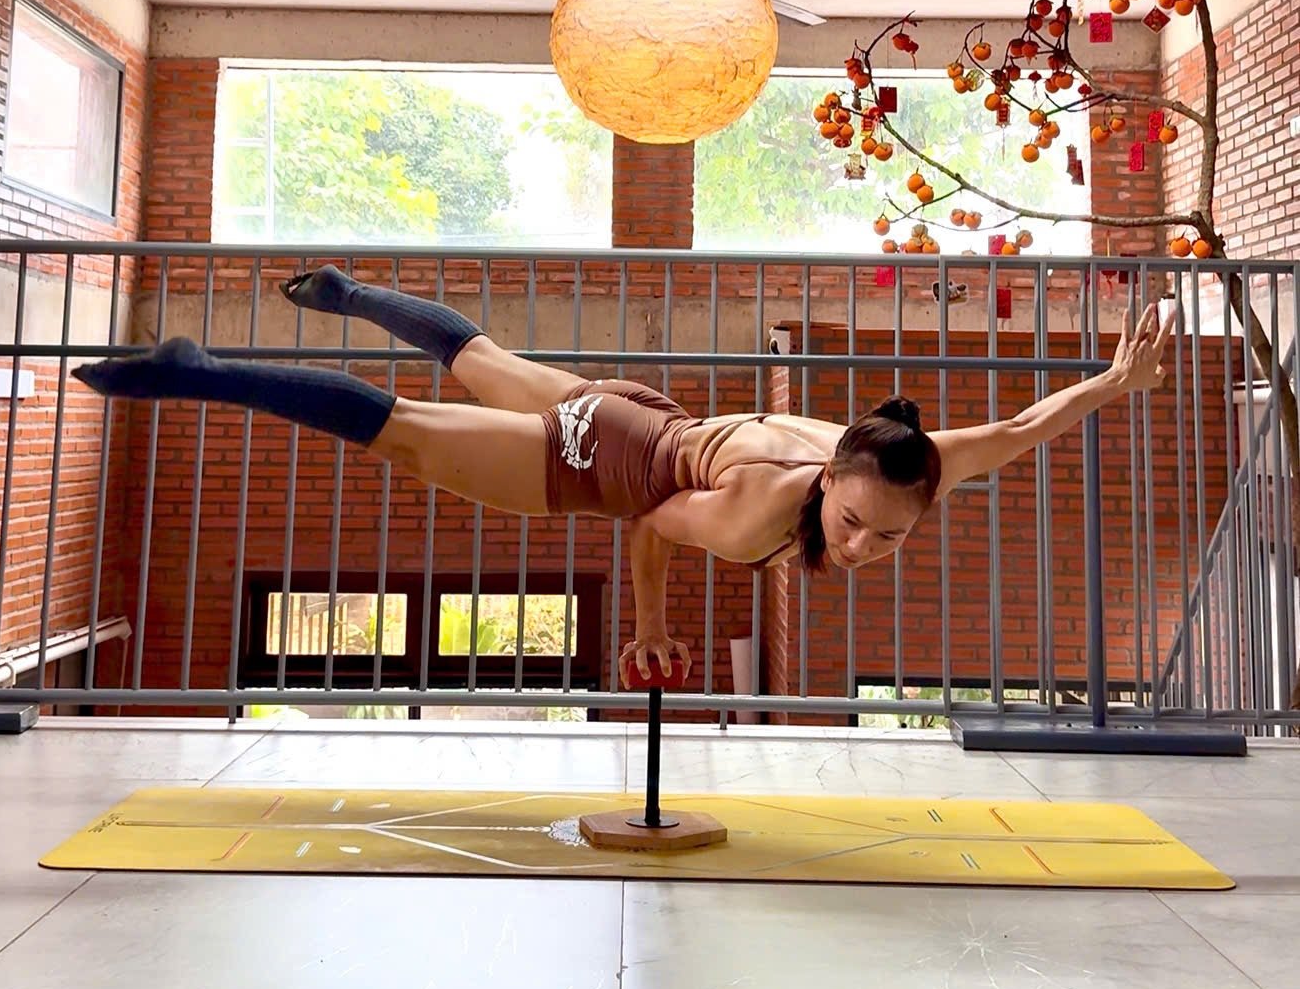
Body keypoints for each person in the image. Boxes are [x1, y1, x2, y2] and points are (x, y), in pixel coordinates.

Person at [77, 267, 1175, 683]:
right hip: (607, 458)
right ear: (830, 478)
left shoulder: (910, 460)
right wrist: (645, 627)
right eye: (849, 524)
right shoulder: (756, 517)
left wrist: (1108, 385)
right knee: (413, 428)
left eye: (884, 537)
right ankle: (202, 373)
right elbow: (651, 522)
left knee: (482, 359)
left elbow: (1024, 425)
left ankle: (358, 295)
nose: (858, 547)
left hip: (653, 415)